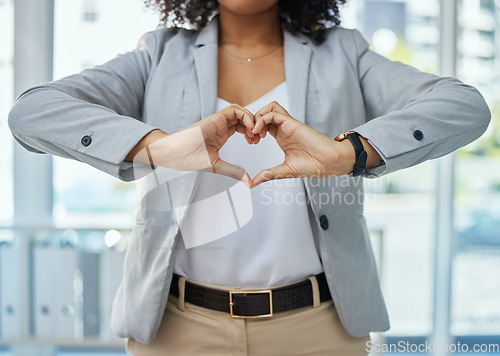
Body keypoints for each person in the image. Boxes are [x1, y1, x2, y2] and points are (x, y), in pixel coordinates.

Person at [8, 0, 490, 355]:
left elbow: (465, 107)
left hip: (319, 330)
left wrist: (347, 155)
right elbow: (32, 113)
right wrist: (158, 147)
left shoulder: (344, 52)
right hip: (178, 330)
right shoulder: (159, 54)